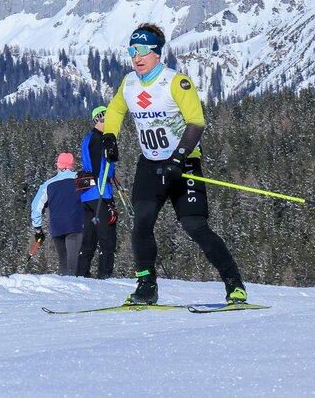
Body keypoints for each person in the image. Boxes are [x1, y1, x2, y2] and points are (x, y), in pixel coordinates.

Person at [101, 23, 247, 305]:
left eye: (142, 50)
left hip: (184, 164)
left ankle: (234, 284)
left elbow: (196, 122)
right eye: (132, 51)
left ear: (157, 53)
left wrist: (178, 159)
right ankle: (146, 286)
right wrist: (110, 135)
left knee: (195, 227)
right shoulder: (129, 83)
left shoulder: (176, 82)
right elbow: (117, 108)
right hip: (151, 165)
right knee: (141, 223)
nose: (136, 57)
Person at [76, 105, 118, 278]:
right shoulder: (98, 139)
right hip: (101, 193)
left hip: (88, 195)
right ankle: (104, 276)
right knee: (107, 240)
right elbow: (98, 168)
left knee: (90, 239)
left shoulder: (88, 138)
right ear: (101, 117)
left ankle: (81, 275)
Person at [30, 152, 84, 276]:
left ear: (58, 166)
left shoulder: (47, 185)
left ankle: (62, 291)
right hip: (75, 226)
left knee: (63, 263)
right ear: (72, 165)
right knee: (73, 264)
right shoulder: (80, 179)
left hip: (57, 228)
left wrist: (38, 229)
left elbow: (35, 207)